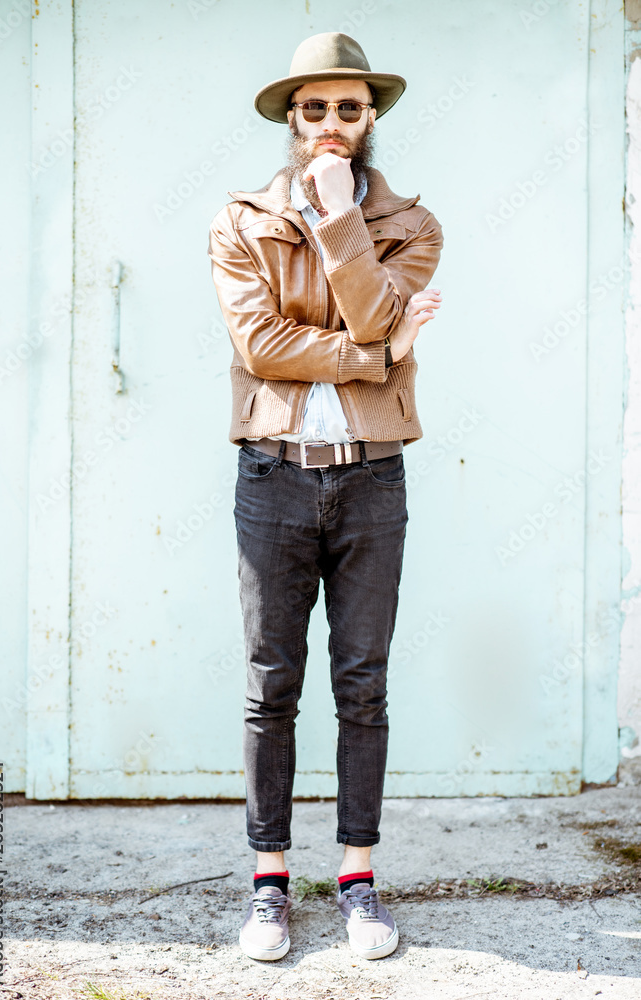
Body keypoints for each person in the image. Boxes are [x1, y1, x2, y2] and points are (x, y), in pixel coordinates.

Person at [208, 31, 443, 962]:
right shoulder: (242, 219)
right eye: (315, 109)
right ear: (292, 119)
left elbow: (378, 308)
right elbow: (262, 347)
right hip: (270, 475)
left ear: (370, 116)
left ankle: (355, 877)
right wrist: (379, 354)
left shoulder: (411, 226)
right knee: (272, 685)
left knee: (363, 685)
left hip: (369, 475)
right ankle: (269, 882)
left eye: (349, 108)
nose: (332, 124)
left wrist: (343, 217)